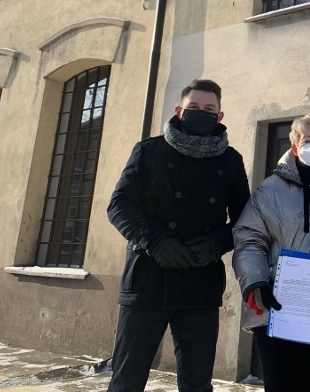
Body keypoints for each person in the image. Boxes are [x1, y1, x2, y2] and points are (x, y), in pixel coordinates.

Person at [106, 78, 250, 392]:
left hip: (200, 284)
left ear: (220, 116)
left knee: (197, 385)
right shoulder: (149, 151)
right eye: (194, 107)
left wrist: (214, 245)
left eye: (209, 109)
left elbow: (244, 222)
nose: (201, 113)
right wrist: (154, 240)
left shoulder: (230, 161)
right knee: (126, 382)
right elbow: (119, 206)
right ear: (179, 110)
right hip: (146, 281)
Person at [233, 113, 310, 392]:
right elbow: (249, 238)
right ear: (294, 146)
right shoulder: (270, 190)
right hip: (277, 305)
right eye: (307, 140)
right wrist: (256, 280)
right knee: (281, 385)